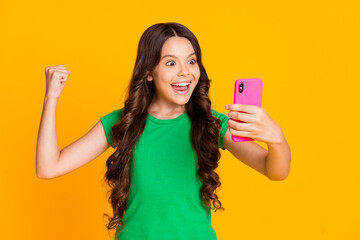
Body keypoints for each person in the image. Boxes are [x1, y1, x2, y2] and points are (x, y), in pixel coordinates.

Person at [36, 22, 291, 240]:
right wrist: (52, 97)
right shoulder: (123, 123)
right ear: (148, 72)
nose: (185, 72)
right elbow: (48, 168)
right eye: (170, 63)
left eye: (192, 61)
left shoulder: (212, 123)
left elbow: (275, 171)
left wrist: (276, 138)